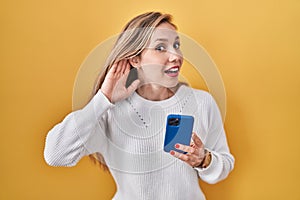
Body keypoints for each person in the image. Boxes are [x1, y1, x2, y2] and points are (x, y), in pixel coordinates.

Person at [44, 11, 235, 200]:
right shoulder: (110, 111)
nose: (176, 55)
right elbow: (55, 155)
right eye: (160, 48)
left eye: (176, 45)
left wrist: (204, 160)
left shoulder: (202, 102)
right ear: (135, 59)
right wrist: (103, 99)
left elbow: (224, 165)